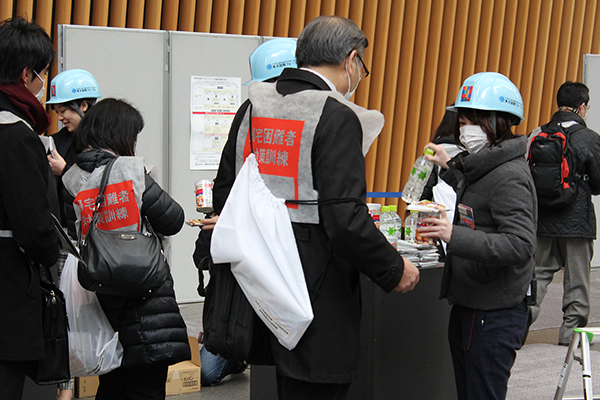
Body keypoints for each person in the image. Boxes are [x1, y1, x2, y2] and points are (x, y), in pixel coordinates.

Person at [204, 16, 419, 400]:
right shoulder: (337, 116)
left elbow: (226, 194)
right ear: (351, 60)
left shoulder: (252, 109)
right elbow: (345, 219)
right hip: (317, 290)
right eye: (362, 67)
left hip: (258, 282)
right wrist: (394, 268)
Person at [62, 98, 190, 400]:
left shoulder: (71, 178)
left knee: (113, 383)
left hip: (100, 296)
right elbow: (173, 220)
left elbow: (73, 233)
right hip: (145, 296)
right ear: (119, 134)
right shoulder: (131, 171)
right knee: (145, 385)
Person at [419, 72, 537, 400]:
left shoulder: (510, 176)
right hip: (472, 303)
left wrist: (452, 234)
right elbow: (474, 176)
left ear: (496, 122)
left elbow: (520, 244)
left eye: (471, 120)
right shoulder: (483, 166)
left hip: (494, 311)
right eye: (463, 120)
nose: (463, 128)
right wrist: (448, 163)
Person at [194, 37, 297, 387]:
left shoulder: (297, 115)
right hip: (257, 242)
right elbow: (227, 177)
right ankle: (238, 354)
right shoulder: (248, 114)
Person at [0, 17, 60, 400]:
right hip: (7, 287)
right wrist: (49, 255)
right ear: (26, 75)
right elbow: (33, 225)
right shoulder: (15, 136)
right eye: (41, 76)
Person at [527, 81, 600, 346]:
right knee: (577, 281)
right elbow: (598, 183)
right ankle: (571, 338)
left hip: (543, 221)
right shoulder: (589, 137)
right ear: (582, 107)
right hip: (577, 222)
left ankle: (518, 327)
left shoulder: (538, 134)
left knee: (538, 277)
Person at [46, 68, 102, 237]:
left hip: (93, 233)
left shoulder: (103, 141)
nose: (60, 118)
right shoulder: (57, 140)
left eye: (63, 111)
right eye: (57, 112)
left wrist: (65, 171)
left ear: (83, 106)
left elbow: (99, 185)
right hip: (64, 231)